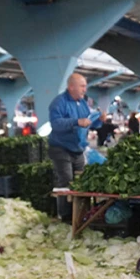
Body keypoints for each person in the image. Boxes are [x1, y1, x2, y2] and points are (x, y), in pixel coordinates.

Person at [48, 72, 105, 221]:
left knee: (81, 181)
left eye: (85, 86)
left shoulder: (83, 103)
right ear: (71, 87)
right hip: (60, 148)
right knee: (66, 181)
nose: (85, 89)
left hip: (78, 149)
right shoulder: (59, 102)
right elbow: (56, 124)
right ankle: (66, 217)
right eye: (82, 86)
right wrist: (76, 121)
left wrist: (100, 121)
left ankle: (81, 215)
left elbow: (89, 123)